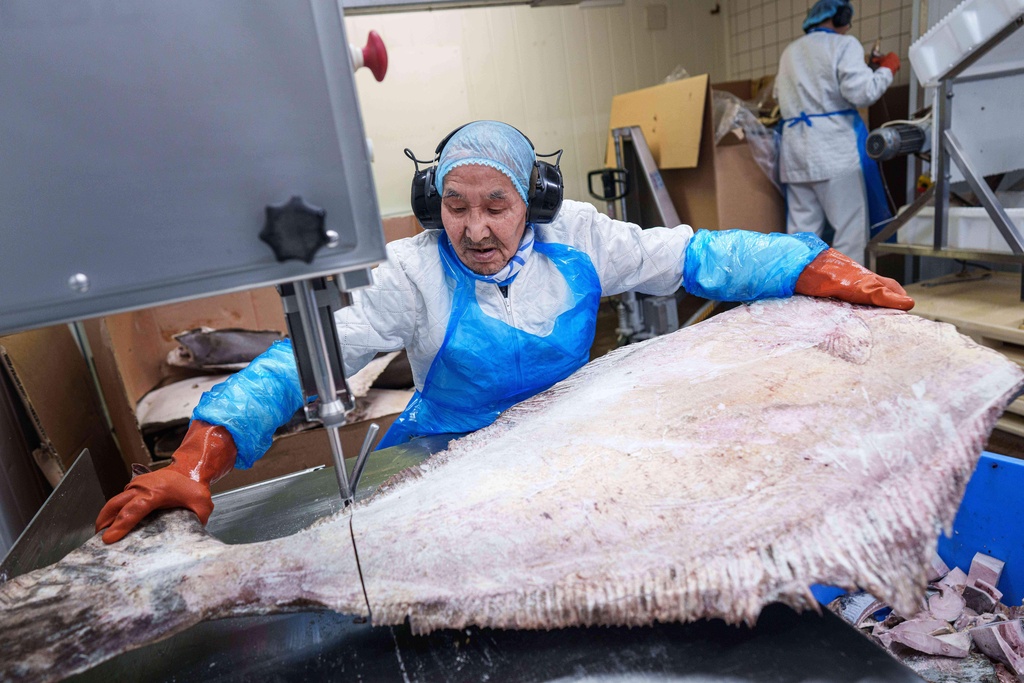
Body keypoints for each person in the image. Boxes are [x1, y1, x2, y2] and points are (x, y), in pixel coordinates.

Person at [95, 120, 913, 543]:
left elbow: (697, 255)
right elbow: (296, 365)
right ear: (433, 206)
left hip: (579, 445)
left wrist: (806, 264)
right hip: (450, 461)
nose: (477, 229)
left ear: (536, 202)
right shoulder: (411, 275)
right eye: (457, 207)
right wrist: (199, 456)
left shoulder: (582, 239)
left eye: (497, 205)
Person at [774, 0, 901, 265]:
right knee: (850, 232)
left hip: (795, 151)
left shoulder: (790, 51)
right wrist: (887, 69)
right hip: (833, 152)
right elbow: (862, 93)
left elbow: (779, 95)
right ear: (841, 17)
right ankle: (845, 298)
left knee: (800, 235)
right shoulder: (845, 45)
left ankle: (796, 298)